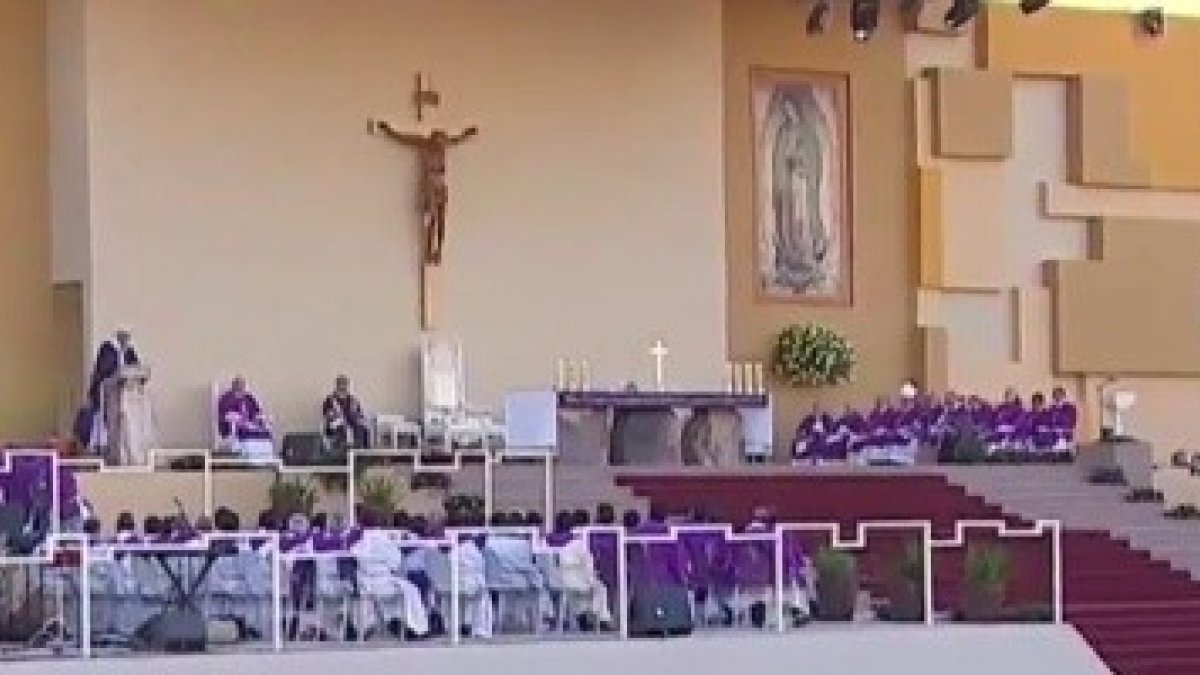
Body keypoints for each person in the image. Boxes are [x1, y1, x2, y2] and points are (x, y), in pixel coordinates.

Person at [86, 329, 141, 458]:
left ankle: (127, 453)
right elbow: (102, 370)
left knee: (126, 424)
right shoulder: (107, 348)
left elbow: (136, 368)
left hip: (126, 392)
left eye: (127, 338)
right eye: (123, 338)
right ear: (118, 337)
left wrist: (135, 376)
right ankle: (112, 454)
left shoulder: (130, 351)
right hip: (109, 392)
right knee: (111, 424)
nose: (126, 341)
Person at [216, 376, 274, 463]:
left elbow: (257, 412)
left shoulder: (249, 397)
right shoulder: (226, 398)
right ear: (233, 386)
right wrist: (238, 419)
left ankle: (263, 459)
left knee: (264, 432)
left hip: (250, 424)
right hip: (233, 426)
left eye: (243, 385)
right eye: (238, 385)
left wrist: (258, 419)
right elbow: (224, 413)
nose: (241, 387)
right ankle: (248, 459)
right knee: (245, 431)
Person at [322, 375, 370, 451]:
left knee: (364, 429)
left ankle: (362, 454)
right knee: (341, 429)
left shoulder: (353, 399)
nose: (343, 387)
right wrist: (334, 416)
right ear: (337, 385)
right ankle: (343, 455)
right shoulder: (330, 400)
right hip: (336, 424)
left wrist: (360, 418)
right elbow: (327, 415)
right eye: (341, 384)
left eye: (345, 384)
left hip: (352, 423)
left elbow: (360, 414)